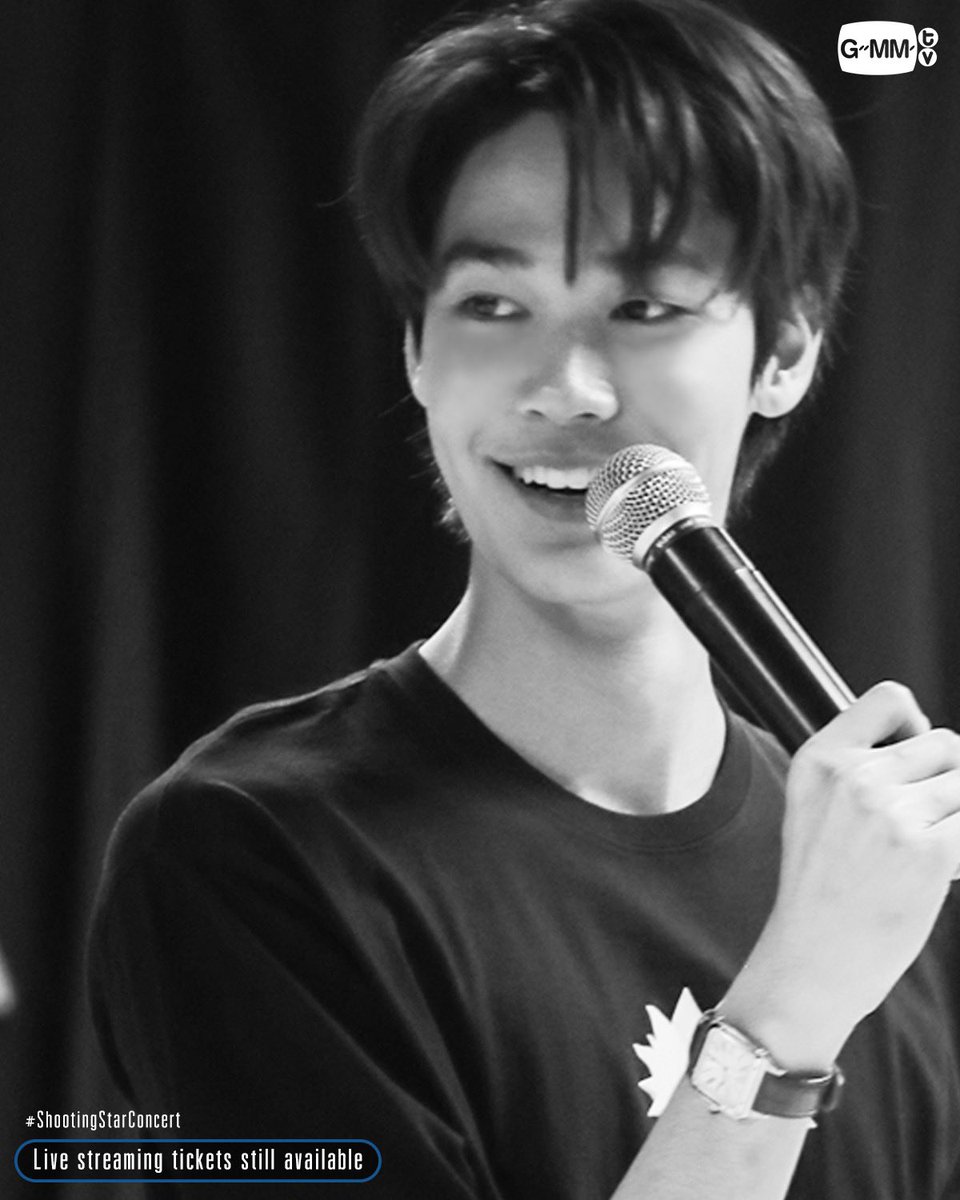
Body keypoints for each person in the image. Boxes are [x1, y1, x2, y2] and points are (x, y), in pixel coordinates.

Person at [87, 0, 960, 1196]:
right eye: (493, 306)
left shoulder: (879, 862)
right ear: (417, 349)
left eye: (644, 308)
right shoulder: (249, 854)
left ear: (787, 349)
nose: (565, 388)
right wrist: (787, 1014)